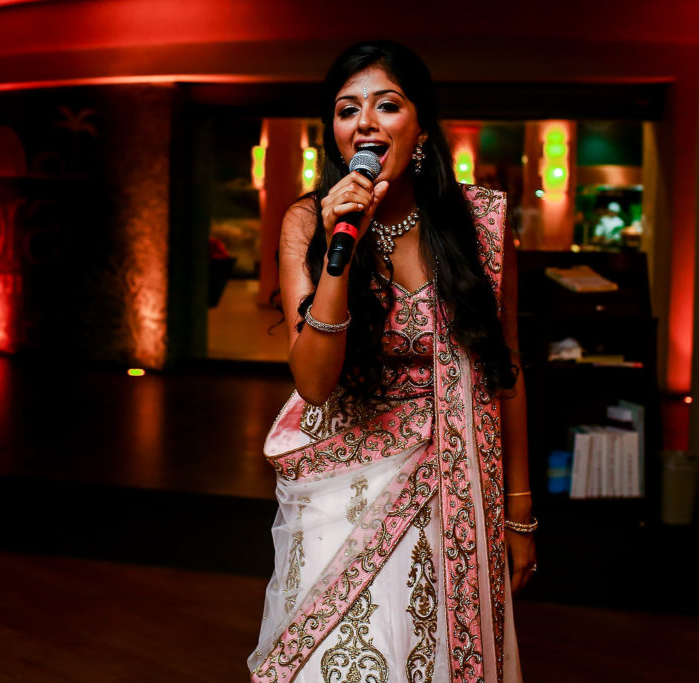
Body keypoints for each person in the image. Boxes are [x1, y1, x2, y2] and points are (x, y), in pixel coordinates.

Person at [249, 41, 536, 683]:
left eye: (386, 105)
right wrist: (340, 252)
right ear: (334, 132)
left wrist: (518, 511)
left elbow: (506, 369)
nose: (365, 123)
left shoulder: (483, 224)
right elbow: (313, 382)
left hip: (456, 494)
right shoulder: (308, 224)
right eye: (347, 109)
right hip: (345, 494)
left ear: (421, 127)